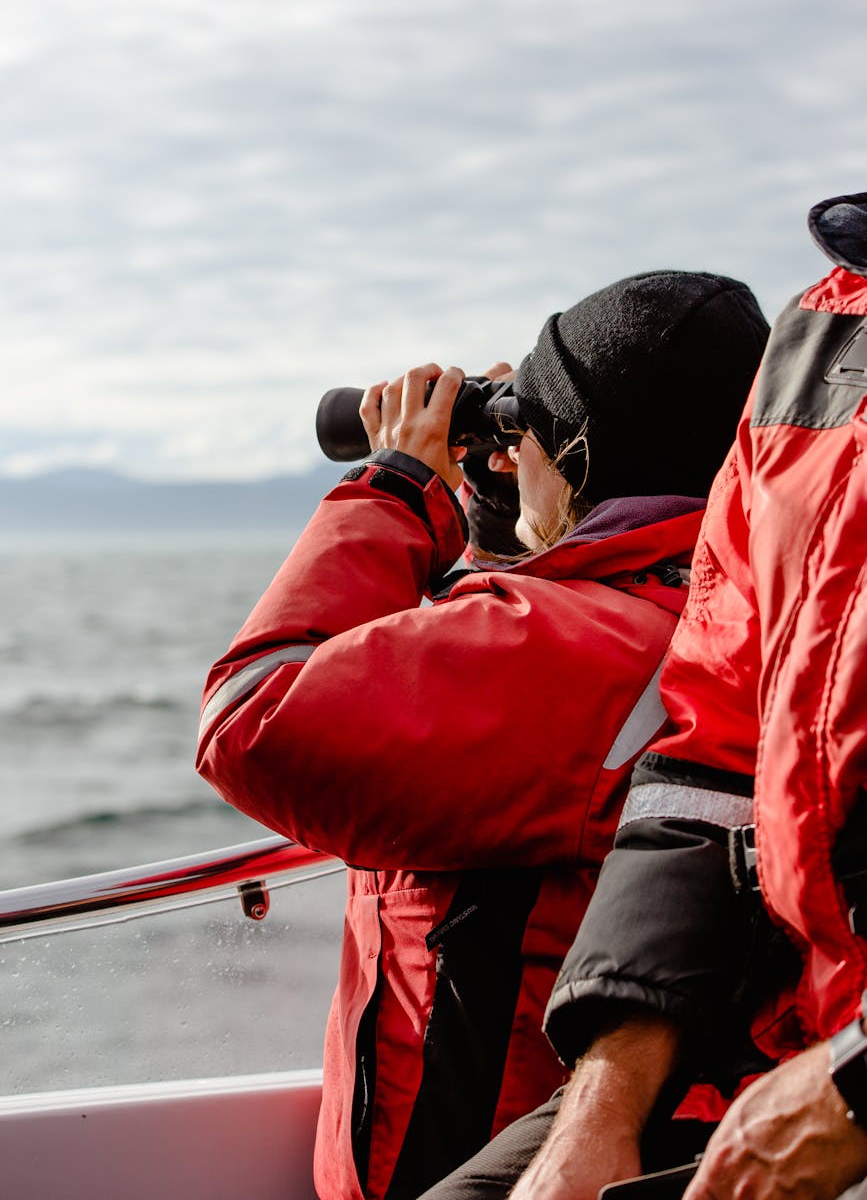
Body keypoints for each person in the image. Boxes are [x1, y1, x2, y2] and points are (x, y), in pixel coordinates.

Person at [195, 270, 768, 1200]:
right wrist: (506, 505)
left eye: (528, 435)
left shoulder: (580, 646)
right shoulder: (725, 612)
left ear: (579, 452)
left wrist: (393, 484)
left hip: (485, 1152)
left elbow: (251, 718)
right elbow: (503, 634)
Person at [420, 191, 867, 1200]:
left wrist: (400, 482)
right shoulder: (819, 339)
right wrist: (602, 1100)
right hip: (776, 1030)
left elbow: (252, 719)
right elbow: (711, 748)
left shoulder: (541, 639)